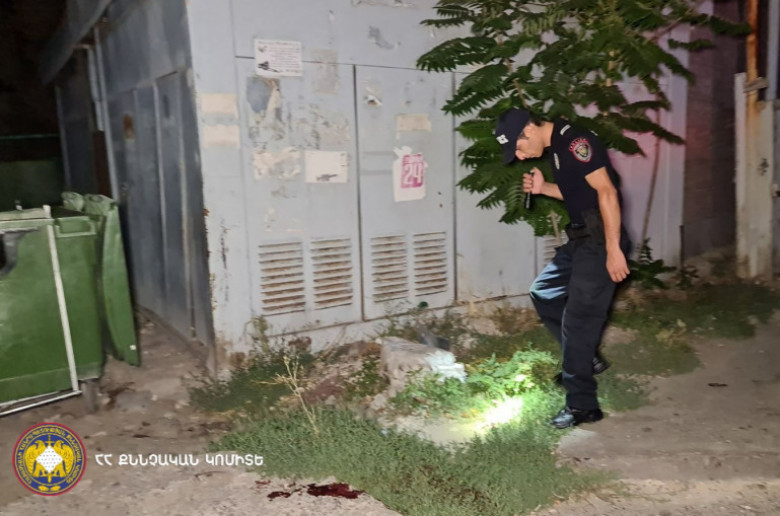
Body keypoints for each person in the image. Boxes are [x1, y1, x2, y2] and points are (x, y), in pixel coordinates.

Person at [494, 108, 632, 429]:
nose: (519, 156)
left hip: (600, 243)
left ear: (529, 131)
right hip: (581, 242)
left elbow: (607, 191)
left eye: (518, 147)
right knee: (543, 291)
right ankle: (585, 357)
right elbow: (579, 193)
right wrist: (544, 188)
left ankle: (583, 405)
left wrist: (613, 250)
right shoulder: (557, 145)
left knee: (578, 323)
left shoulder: (575, 143)